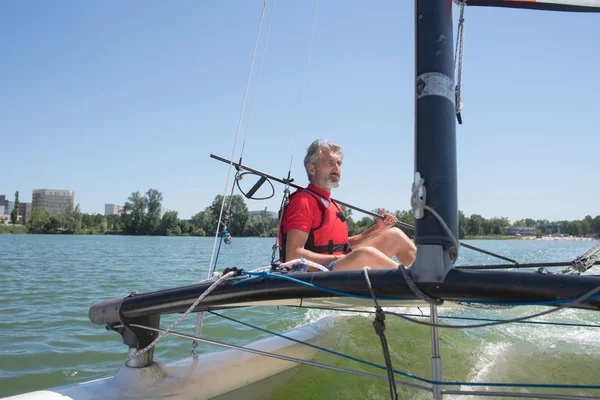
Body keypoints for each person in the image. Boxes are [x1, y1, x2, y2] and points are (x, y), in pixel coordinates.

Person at [278, 139, 417, 271]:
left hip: (339, 265)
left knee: (395, 235)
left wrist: (377, 229)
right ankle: (413, 281)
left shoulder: (334, 205)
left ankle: (431, 277)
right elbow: (294, 257)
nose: (336, 168)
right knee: (364, 254)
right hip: (318, 274)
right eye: (329, 163)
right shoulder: (303, 201)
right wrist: (340, 258)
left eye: (339, 163)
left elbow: (345, 246)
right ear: (312, 169)